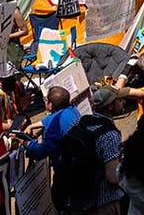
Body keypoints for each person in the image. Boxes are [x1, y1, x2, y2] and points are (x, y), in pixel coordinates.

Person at [55, 85, 127, 215]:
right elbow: (112, 177)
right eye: (120, 100)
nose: (123, 102)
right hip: (103, 203)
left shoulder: (81, 122)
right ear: (110, 106)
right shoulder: (110, 135)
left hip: (78, 200)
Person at [26, 85, 81, 166]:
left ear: (51, 104)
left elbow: (41, 152)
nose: (44, 101)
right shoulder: (72, 109)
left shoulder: (54, 124)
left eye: (46, 100)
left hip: (68, 167)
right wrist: (32, 127)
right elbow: (50, 120)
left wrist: (26, 143)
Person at [0, 0, 30, 67]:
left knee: (12, 69)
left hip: (12, 45)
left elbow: (25, 31)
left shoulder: (15, 11)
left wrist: (7, 36)